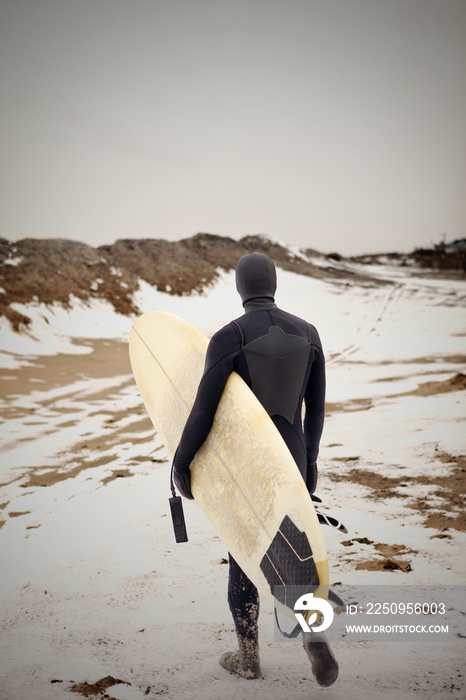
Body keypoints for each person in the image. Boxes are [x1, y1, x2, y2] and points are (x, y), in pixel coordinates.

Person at [172, 252, 338, 685]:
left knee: (244, 557)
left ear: (240, 286)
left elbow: (202, 412)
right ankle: (311, 632)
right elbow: (315, 410)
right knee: (293, 550)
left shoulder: (230, 336)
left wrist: (181, 463)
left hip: (249, 466)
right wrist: (311, 463)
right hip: (295, 460)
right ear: (275, 283)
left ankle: (249, 657)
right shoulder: (310, 333)